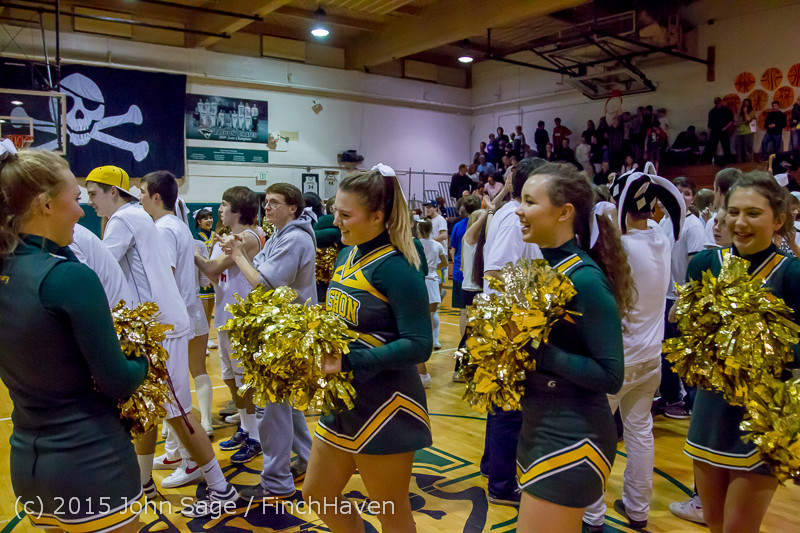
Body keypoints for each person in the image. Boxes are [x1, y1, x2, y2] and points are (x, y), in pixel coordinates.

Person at [0, 146, 148, 532]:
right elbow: (118, 380)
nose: (82, 211)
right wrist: (146, 355)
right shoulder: (70, 277)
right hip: (90, 463)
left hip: (28, 467)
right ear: (45, 205)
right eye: (76, 199)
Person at [84, 166, 237, 516]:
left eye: (93, 194)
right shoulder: (140, 218)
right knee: (151, 408)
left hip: (162, 328)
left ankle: (220, 487)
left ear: (113, 192)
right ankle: (144, 484)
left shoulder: (125, 220)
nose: (89, 201)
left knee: (178, 412)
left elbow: (99, 268)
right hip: (162, 325)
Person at [302, 168, 432, 532]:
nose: (336, 221)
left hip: (386, 405)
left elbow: (420, 344)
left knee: (391, 514)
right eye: (335, 210)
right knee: (318, 494)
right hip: (346, 399)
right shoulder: (347, 255)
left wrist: (349, 359)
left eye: (345, 214)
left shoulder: (397, 268)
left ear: (377, 217)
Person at [514, 162, 630, 531]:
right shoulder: (546, 267)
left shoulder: (585, 279)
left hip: (572, 433)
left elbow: (611, 375)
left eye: (530, 201)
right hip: (540, 422)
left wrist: (539, 352)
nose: (519, 209)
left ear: (564, 213)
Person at [683, 172, 800, 532]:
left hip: (763, 418)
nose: (740, 222)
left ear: (778, 219)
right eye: (733, 212)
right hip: (708, 412)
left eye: (753, 213)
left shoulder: (792, 273)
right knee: (715, 526)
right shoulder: (703, 265)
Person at [584, 165, 684, 531]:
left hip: (617, 358)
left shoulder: (620, 247)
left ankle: (592, 514)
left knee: (596, 433)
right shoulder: (660, 236)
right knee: (640, 430)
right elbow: (673, 207)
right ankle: (638, 508)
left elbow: (598, 222)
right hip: (651, 357)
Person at [219, 182, 316, 503]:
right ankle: (307, 460)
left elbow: (264, 284)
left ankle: (276, 482)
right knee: (284, 404)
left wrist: (236, 254)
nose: (268, 207)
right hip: (279, 330)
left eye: (275, 202)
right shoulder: (281, 235)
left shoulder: (296, 238)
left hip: (285, 334)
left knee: (270, 409)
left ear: (293, 208)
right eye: (266, 202)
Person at [481, 159, 544, 507]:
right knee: (510, 406)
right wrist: (534, 299)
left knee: (504, 402)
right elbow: (495, 271)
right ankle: (503, 485)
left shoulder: (518, 213)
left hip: (512, 318)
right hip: (508, 322)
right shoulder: (513, 216)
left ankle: (493, 467)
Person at [139, 171, 213, 443]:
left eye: (142, 192)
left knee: (172, 389)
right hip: (189, 310)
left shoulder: (162, 229)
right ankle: (191, 437)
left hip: (174, 318)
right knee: (188, 376)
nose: (139, 198)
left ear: (156, 197)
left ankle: (182, 454)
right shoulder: (179, 226)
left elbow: (165, 275)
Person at [194, 186, 263, 462]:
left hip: (242, 319)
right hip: (226, 314)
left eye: (224, 205)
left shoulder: (247, 237)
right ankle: (246, 428)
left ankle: (256, 436)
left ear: (237, 209)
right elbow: (216, 277)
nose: (219, 210)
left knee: (244, 380)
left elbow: (211, 269)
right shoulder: (229, 237)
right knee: (229, 377)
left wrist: (191, 252)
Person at [417, 219, 447, 386]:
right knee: (431, 315)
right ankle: (434, 341)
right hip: (433, 281)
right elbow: (443, 263)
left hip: (420, 281)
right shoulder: (437, 245)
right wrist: (433, 267)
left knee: (420, 318)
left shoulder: (416, 244)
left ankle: (423, 349)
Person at [193, 207, 217, 346]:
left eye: (210, 217)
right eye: (205, 218)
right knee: (201, 312)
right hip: (201, 276)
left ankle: (207, 339)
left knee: (209, 311)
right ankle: (201, 341)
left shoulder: (216, 235)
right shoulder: (195, 236)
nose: (209, 220)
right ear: (199, 221)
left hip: (212, 276)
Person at [706, 97, 734, 166]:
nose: (717, 105)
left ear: (721, 102)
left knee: (726, 146)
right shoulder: (712, 112)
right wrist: (709, 133)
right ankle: (710, 160)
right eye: (716, 103)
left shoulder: (726, 110)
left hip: (723, 130)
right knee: (712, 146)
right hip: (714, 131)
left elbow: (731, 120)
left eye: (718, 103)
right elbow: (709, 124)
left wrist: (726, 127)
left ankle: (728, 161)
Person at [734, 98, 756, 163]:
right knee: (738, 149)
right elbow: (735, 122)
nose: (746, 104)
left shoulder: (752, 111)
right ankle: (740, 163)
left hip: (748, 132)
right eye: (744, 102)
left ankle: (749, 163)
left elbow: (748, 119)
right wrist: (743, 122)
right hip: (739, 133)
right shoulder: (739, 112)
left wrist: (745, 112)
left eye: (747, 103)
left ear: (749, 104)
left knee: (748, 148)